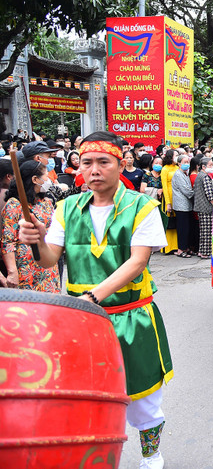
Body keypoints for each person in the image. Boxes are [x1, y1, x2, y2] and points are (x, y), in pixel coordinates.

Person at [19, 131, 173, 468]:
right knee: (87, 395)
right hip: (83, 322)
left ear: (120, 163)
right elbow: (48, 259)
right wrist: (35, 241)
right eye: (87, 162)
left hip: (131, 316)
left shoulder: (142, 207)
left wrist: (93, 297)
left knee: (142, 396)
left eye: (103, 162)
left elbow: (137, 262)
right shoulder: (66, 208)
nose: (94, 170)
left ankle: (151, 455)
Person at [2, 160, 60, 292]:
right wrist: (12, 271)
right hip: (26, 268)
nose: (48, 180)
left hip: (48, 266)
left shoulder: (46, 203)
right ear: (35, 179)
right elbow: (8, 241)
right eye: (46, 176)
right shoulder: (14, 204)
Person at [171, 154, 194, 257]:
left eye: (188, 162)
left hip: (187, 205)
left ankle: (186, 247)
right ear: (179, 163)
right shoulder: (178, 174)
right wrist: (195, 193)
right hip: (181, 205)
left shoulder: (185, 174)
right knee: (182, 228)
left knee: (187, 228)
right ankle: (181, 249)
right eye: (184, 162)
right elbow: (186, 190)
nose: (186, 164)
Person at [193, 157, 213, 258]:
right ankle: (206, 252)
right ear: (203, 166)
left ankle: (201, 250)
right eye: (210, 165)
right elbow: (210, 195)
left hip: (200, 206)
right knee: (207, 231)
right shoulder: (205, 177)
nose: (212, 167)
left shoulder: (199, 176)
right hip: (206, 207)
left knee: (203, 231)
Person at [160, 150, 178, 255]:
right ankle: (167, 247)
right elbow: (165, 187)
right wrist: (168, 202)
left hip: (177, 197)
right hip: (169, 196)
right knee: (168, 221)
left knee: (176, 222)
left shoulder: (177, 168)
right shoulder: (165, 169)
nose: (177, 157)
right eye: (176, 155)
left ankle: (176, 245)